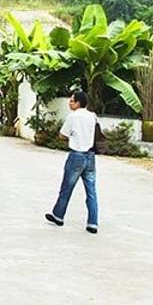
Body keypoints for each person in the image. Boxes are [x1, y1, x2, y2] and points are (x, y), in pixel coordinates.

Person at [45, 90, 99, 234]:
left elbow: (62, 134)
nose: (69, 103)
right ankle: (93, 223)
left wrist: (73, 137)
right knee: (91, 191)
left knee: (66, 188)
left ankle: (58, 216)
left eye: (72, 101)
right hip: (90, 156)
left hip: (76, 155)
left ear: (78, 103)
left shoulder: (73, 117)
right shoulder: (92, 116)